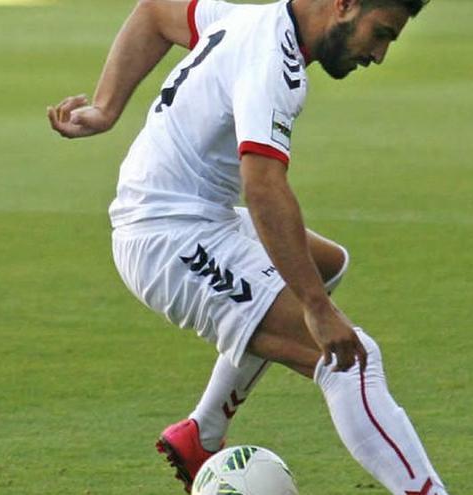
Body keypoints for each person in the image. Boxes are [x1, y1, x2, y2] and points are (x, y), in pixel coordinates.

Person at [48, 0, 447, 493]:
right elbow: (262, 187)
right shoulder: (272, 62)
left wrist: (107, 108)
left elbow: (154, 11)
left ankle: (201, 434)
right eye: (381, 33)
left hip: (188, 214)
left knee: (325, 265)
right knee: (349, 359)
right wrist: (317, 310)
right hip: (168, 237)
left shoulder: (244, 17)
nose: (380, 54)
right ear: (344, 5)